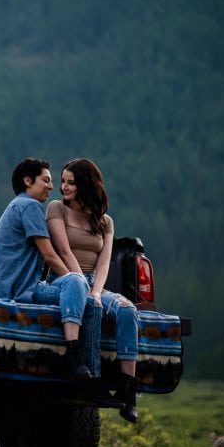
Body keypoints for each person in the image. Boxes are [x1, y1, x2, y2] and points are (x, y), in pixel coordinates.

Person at [0, 158, 114, 403]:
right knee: (78, 288)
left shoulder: (16, 205)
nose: (51, 186)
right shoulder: (30, 206)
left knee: (77, 288)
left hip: (8, 289)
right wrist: (78, 285)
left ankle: (89, 373)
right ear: (28, 181)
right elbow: (50, 255)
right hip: (23, 292)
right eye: (46, 180)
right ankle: (78, 362)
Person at [46, 158, 140, 422]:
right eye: (62, 181)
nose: (63, 187)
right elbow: (63, 251)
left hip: (94, 281)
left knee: (127, 311)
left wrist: (97, 291)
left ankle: (128, 391)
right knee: (90, 304)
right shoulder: (56, 210)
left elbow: (104, 261)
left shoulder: (105, 221)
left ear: (85, 185)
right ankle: (93, 379)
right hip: (65, 279)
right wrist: (84, 287)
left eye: (70, 183)